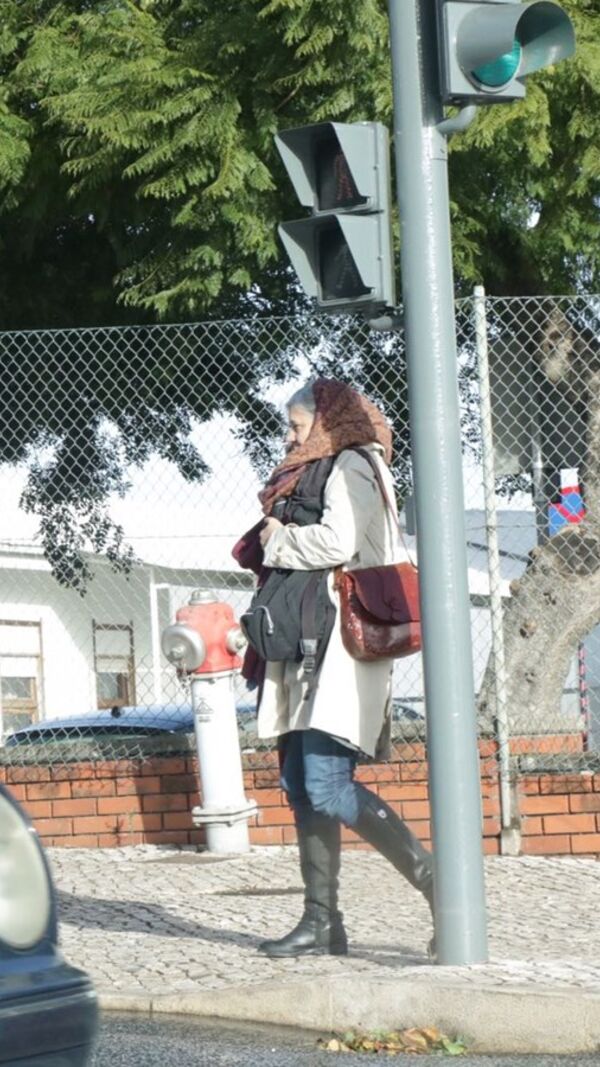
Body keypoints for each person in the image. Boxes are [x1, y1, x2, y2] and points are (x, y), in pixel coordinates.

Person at [235, 378, 435, 959]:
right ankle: (322, 922)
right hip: (304, 643)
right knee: (301, 785)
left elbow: (338, 541)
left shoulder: (351, 463)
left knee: (324, 784)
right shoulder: (317, 467)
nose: (289, 437)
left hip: (340, 647)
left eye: (296, 426)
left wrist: (277, 539)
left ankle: (440, 888)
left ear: (324, 421)